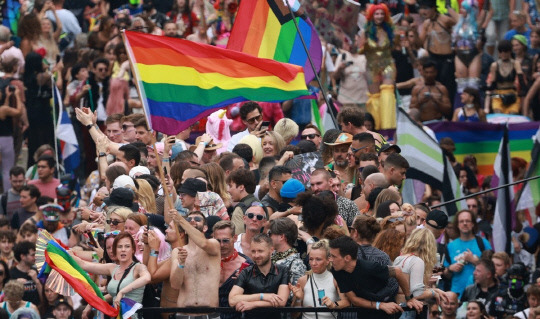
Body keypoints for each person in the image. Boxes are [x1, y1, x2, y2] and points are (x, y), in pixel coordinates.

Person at [329, 236, 422, 319]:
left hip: (387, 308)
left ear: (347, 258)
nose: (330, 259)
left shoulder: (369, 267)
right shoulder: (337, 271)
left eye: (334, 256)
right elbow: (354, 299)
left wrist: (409, 298)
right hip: (366, 310)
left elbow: (397, 271)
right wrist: (379, 305)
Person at [71, 232, 151, 319]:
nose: (123, 250)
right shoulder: (113, 268)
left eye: (127, 246)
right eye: (119, 247)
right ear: (115, 250)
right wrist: (65, 252)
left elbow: (147, 278)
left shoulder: (138, 267)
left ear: (133, 250)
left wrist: (122, 292)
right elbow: (83, 265)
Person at [169, 210, 221, 315]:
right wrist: (181, 264)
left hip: (209, 313)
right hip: (184, 313)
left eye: (197, 219)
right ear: (185, 229)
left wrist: (181, 220)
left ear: (205, 227)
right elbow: (175, 285)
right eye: (189, 219)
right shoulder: (177, 251)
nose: (192, 221)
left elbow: (203, 243)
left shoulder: (213, 244)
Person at [229, 234, 289, 319]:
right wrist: (262, 296)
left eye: (260, 251)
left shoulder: (282, 270)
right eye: (253, 251)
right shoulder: (246, 272)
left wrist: (253, 304)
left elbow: (281, 301)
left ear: (271, 250)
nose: (256, 255)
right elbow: (232, 300)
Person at [289, 240, 350, 319]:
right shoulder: (303, 280)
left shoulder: (335, 279)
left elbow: (346, 302)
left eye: (318, 259)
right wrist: (298, 299)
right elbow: (294, 315)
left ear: (328, 260)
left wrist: (333, 304)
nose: (313, 263)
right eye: (311, 259)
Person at [362, 3, 397, 129]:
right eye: (377, 13)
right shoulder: (365, 32)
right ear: (372, 15)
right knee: (375, 97)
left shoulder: (390, 30)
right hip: (371, 66)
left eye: (382, 13)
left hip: (388, 64)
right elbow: (358, 50)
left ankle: (388, 127)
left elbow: (395, 46)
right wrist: (362, 43)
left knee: (387, 91)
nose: (380, 16)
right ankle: (375, 128)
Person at [443, 210, 492, 297]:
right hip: (457, 295)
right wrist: (450, 268)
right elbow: (445, 273)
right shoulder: (450, 246)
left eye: (468, 221)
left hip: (479, 294)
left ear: (473, 224)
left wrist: (474, 260)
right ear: (457, 225)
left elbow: (492, 269)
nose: (464, 223)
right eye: (461, 221)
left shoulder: (483, 243)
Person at [213, 221, 252, 319]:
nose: (221, 245)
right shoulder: (206, 262)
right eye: (218, 241)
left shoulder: (247, 264)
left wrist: (245, 282)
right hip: (211, 314)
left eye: (225, 240)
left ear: (234, 238)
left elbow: (256, 292)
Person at [487, 40, 525, 114]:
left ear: (510, 52)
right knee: (497, 113)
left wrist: (523, 90)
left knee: (512, 114)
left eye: (506, 51)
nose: (503, 54)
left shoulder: (515, 63)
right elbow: (493, 84)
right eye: (501, 52)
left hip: (511, 92)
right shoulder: (494, 65)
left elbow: (521, 79)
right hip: (498, 93)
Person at [228, 169, 258, 234]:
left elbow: (237, 237)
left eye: (230, 186)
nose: (228, 190)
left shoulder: (239, 210)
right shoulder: (261, 205)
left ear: (241, 187)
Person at [10, 242, 40, 306]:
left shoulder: (37, 272)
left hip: (36, 309)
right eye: (32, 255)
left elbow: (43, 297)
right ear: (23, 256)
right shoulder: (11, 274)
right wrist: (15, 284)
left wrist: (37, 281)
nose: (35, 257)